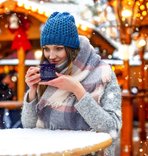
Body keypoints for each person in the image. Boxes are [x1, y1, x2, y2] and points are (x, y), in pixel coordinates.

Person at [21, 11, 122, 155]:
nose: (51, 56)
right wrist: (32, 91)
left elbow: (112, 128)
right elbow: (29, 127)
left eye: (59, 48)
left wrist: (77, 89)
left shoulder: (103, 73)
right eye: (46, 49)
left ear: (71, 49)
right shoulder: (47, 75)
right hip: (50, 151)